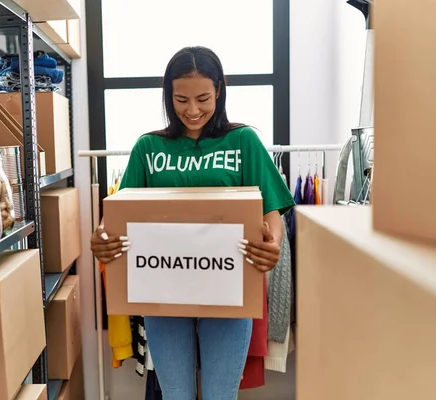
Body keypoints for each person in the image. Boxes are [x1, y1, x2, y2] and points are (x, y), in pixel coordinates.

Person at [90, 46, 295, 400]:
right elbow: (115, 221)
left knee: (220, 395)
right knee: (176, 396)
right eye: (181, 99)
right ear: (168, 95)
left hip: (229, 289)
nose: (193, 110)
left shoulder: (243, 141)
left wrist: (273, 244)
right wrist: (102, 239)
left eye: (203, 98)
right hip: (163, 290)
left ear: (219, 89)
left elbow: (271, 212)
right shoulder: (148, 147)